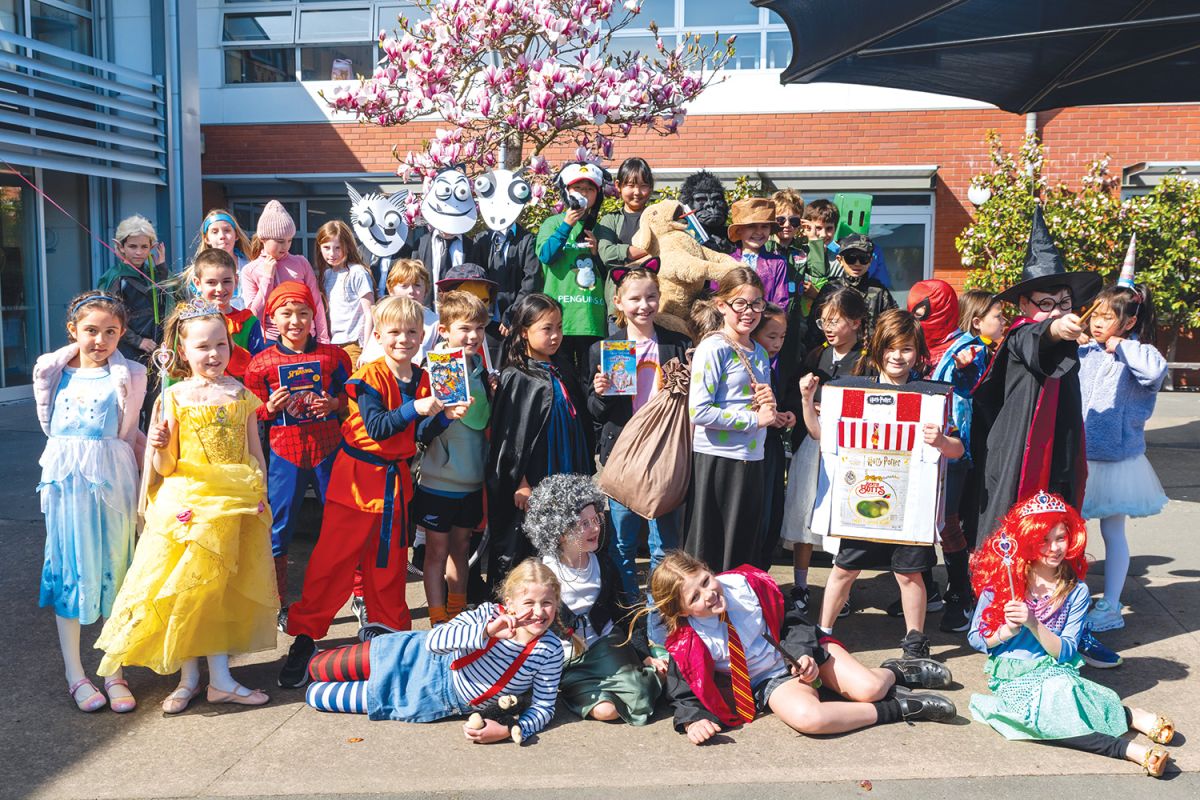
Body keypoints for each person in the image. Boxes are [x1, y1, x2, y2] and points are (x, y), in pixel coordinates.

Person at [96, 300, 278, 713]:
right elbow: (165, 466)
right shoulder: (174, 398)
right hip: (189, 503)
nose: (213, 355)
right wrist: (158, 446)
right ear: (183, 351)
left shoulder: (241, 394)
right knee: (186, 591)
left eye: (220, 345)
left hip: (232, 501)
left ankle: (220, 679)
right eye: (202, 347)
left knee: (217, 591)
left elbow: (255, 454)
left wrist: (260, 494)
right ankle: (190, 677)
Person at [277, 296, 463, 688]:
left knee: (389, 567)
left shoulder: (427, 377)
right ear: (378, 335)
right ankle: (306, 637)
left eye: (412, 332)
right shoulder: (369, 376)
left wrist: (444, 417)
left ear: (423, 335)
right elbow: (378, 427)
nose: (404, 339)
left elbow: (419, 434)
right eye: (394, 332)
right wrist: (420, 408)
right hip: (357, 480)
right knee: (332, 563)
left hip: (394, 486)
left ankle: (386, 635)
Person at [966, 207, 1122, 667]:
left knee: (1062, 539)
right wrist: (1054, 327)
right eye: (1045, 303)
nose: (1057, 311)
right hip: (1016, 463)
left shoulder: (1074, 340)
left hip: (1061, 458)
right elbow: (1037, 341)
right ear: (1025, 308)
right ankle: (995, 624)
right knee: (1010, 542)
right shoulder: (1018, 337)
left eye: (1064, 302)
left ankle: (1073, 629)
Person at [968, 492, 1175, 777]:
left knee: (1058, 706)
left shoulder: (1076, 591)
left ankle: (1128, 733)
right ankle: (1127, 733)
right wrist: (1007, 630)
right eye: (1044, 539)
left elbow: (1066, 652)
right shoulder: (1002, 584)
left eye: (1060, 538)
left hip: (1054, 672)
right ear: (1026, 539)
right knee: (1041, 720)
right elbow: (977, 639)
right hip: (1011, 678)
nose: (1054, 548)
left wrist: (1032, 623)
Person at [652, 551, 954, 745]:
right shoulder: (687, 640)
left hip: (801, 653)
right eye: (694, 597)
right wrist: (692, 719)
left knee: (870, 687)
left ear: (708, 569)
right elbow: (684, 688)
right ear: (682, 612)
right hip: (770, 680)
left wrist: (803, 653)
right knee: (811, 719)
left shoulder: (747, 586)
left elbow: (794, 622)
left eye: (706, 580)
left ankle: (894, 672)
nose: (708, 594)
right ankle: (898, 708)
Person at [806, 310, 964, 661]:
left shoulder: (930, 399)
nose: (898, 356)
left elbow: (958, 449)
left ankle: (915, 640)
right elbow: (822, 436)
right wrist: (806, 401)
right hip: (860, 507)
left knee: (910, 576)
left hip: (910, 510)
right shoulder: (850, 390)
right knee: (844, 569)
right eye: (891, 348)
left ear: (918, 353)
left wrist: (940, 440)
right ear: (876, 349)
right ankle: (823, 633)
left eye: (907, 349)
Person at [305, 558, 565, 745]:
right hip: (413, 654)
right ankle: (364, 640)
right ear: (509, 603)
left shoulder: (549, 650)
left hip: (428, 695)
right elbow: (435, 641)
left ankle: (366, 669)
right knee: (317, 668)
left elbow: (544, 707)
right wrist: (486, 631)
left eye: (547, 603)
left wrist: (511, 729)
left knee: (316, 695)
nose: (539, 612)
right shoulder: (488, 613)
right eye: (529, 602)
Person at [34, 292, 147, 712]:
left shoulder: (133, 374)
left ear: (121, 334)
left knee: (116, 568)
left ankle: (113, 670)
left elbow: (131, 429)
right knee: (71, 569)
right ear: (73, 331)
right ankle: (75, 674)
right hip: (65, 483)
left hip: (113, 479)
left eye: (110, 332)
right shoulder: (52, 371)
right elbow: (50, 426)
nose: (100, 340)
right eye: (91, 331)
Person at [586, 268, 690, 604]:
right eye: (634, 298)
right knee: (621, 543)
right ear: (618, 301)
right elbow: (596, 412)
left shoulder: (677, 345)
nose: (643, 305)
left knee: (665, 545)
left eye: (650, 296)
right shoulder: (604, 348)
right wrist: (600, 392)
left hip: (665, 453)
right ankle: (630, 610)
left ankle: (658, 617)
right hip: (623, 454)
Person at [244, 282, 353, 603]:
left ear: (314, 316)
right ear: (272, 318)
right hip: (283, 454)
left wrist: (333, 405)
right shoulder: (260, 364)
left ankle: (348, 593)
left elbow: (352, 399)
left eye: (303, 313)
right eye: (286, 314)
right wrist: (271, 407)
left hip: (328, 449)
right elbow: (251, 414)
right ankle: (277, 600)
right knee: (279, 528)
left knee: (342, 522)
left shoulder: (334, 356)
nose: (295, 321)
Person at [525, 474, 664, 724]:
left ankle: (652, 673)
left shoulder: (603, 564)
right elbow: (526, 621)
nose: (596, 528)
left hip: (605, 647)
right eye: (584, 524)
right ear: (560, 532)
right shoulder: (542, 571)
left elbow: (624, 612)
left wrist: (643, 653)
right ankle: (579, 691)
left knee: (640, 698)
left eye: (596, 519)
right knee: (606, 712)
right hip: (565, 659)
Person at [1078, 283, 1168, 632]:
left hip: (1116, 461)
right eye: (1094, 316)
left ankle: (1111, 604)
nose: (1097, 324)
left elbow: (1154, 373)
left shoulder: (1139, 353)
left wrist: (1123, 347)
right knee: (1072, 533)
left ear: (1129, 322)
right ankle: (1068, 599)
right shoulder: (1086, 352)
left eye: (1107, 317)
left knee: (1113, 531)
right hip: (1080, 455)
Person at [486, 294, 592, 588]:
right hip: (538, 473)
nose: (556, 335)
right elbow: (508, 439)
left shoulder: (563, 368)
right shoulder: (516, 377)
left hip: (569, 465)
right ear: (524, 331)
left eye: (559, 327)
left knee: (571, 534)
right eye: (547, 329)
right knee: (536, 541)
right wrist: (519, 481)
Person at [912, 280, 994, 633]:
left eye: (924, 309)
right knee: (916, 521)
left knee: (948, 522)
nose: (918, 316)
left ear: (942, 307)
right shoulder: (914, 341)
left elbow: (976, 383)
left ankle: (961, 592)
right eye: (915, 310)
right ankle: (926, 587)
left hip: (952, 445)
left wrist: (966, 368)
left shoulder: (968, 346)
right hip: (914, 445)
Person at [781, 288, 866, 616]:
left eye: (836, 321)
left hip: (848, 450)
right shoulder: (815, 354)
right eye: (823, 321)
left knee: (844, 518)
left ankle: (842, 588)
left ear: (856, 323)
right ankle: (800, 585)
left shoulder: (866, 360)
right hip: (812, 444)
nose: (828, 328)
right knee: (804, 514)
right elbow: (794, 394)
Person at [685, 267, 776, 573]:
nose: (749, 312)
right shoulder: (714, 347)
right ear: (722, 305)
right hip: (717, 461)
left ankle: (734, 618)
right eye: (740, 304)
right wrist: (753, 420)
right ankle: (702, 618)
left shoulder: (760, 352)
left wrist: (770, 409)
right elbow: (699, 411)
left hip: (752, 458)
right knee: (708, 553)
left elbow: (758, 410)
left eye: (756, 304)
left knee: (741, 551)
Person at [416, 290, 493, 625]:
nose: (473, 336)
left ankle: (457, 617)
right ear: (444, 331)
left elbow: (481, 419)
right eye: (464, 328)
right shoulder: (438, 367)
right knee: (435, 553)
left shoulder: (477, 366)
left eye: (478, 328)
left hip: (472, 479)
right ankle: (437, 622)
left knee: (462, 550)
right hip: (439, 480)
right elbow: (474, 418)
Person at [536, 161, 608, 376]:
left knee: (592, 383)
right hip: (558, 322)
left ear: (597, 194)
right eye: (577, 188)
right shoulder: (552, 223)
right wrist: (566, 225)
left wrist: (598, 254)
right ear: (566, 192)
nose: (583, 193)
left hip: (592, 320)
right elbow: (546, 256)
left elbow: (611, 275)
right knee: (562, 381)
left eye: (589, 189)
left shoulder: (603, 229)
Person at [100, 215, 168, 426]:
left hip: (156, 350)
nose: (139, 252)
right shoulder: (115, 276)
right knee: (130, 411)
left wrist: (162, 268)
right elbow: (109, 318)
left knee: (156, 407)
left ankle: (150, 457)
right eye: (132, 246)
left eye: (144, 246)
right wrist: (138, 341)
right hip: (129, 351)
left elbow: (170, 301)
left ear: (152, 247)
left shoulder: (153, 272)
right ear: (119, 247)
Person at [241, 200, 330, 344]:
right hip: (270, 340)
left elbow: (316, 302)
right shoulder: (250, 270)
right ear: (263, 239)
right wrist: (267, 278)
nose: (286, 246)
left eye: (289, 240)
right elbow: (253, 314)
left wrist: (323, 338)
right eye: (280, 241)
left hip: (305, 336)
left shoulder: (301, 263)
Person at [752, 303, 792, 570]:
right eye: (772, 336)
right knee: (757, 520)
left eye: (782, 337)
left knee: (771, 516)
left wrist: (787, 415)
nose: (777, 343)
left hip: (772, 446)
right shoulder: (750, 361)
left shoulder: (776, 364)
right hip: (753, 449)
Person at [806, 233, 896, 349]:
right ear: (840, 260)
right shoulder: (830, 289)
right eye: (851, 258)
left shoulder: (879, 292)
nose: (857, 263)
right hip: (834, 356)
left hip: (869, 358)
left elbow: (892, 328)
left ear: (870, 261)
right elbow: (814, 330)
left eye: (863, 258)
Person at [188, 248, 265, 383]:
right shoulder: (189, 322)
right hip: (199, 397)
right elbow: (178, 366)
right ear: (198, 283)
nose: (220, 289)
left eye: (226, 281)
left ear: (236, 280)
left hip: (239, 397)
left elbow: (257, 367)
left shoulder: (248, 322)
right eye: (211, 282)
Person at [596, 157, 654, 330]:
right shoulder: (610, 220)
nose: (637, 192)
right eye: (630, 185)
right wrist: (648, 251)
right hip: (618, 308)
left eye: (643, 185)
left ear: (650, 188)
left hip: (651, 305)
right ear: (618, 186)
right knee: (620, 355)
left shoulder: (657, 218)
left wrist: (624, 253)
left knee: (652, 355)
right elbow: (607, 254)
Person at [315, 220, 375, 367]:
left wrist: (367, 350)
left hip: (354, 345)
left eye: (337, 248)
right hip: (332, 344)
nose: (332, 253)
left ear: (347, 247)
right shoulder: (326, 275)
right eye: (326, 247)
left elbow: (370, 313)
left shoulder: (357, 272)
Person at [359, 259, 440, 367]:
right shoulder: (385, 317)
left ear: (426, 290)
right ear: (391, 290)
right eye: (404, 286)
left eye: (417, 285)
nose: (411, 291)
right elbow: (371, 357)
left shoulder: (435, 322)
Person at [727, 198, 789, 310]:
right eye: (751, 226)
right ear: (739, 230)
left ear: (770, 229)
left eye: (764, 226)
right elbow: (718, 297)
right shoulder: (726, 262)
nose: (759, 232)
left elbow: (781, 303)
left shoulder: (777, 263)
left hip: (766, 324)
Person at [194, 209, 252, 309]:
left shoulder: (250, 267)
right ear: (207, 239)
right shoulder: (196, 272)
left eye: (227, 230)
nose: (222, 236)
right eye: (215, 232)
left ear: (236, 235)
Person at [957, 289, 1007, 357]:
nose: (1004, 322)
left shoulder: (985, 349)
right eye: (998, 316)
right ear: (977, 323)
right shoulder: (973, 354)